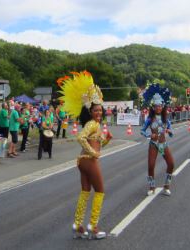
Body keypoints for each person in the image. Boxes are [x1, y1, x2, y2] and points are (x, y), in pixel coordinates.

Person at [57, 71, 112, 240]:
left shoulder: (95, 124)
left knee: (85, 191)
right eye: (96, 110)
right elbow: (80, 137)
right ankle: (93, 227)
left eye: (100, 110)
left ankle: (78, 225)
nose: (98, 113)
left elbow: (96, 143)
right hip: (88, 161)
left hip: (83, 161)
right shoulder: (92, 123)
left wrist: (106, 141)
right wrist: (93, 153)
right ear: (90, 111)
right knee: (101, 191)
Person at [141, 83, 174, 196]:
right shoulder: (150, 119)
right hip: (153, 144)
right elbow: (142, 131)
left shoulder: (166, 119)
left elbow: (172, 133)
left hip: (163, 144)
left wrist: (169, 131)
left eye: (160, 106)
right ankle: (152, 187)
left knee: (171, 164)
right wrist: (149, 135)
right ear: (153, 107)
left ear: (162, 106)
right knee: (151, 165)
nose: (158, 108)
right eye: (156, 106)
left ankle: (166, 186)